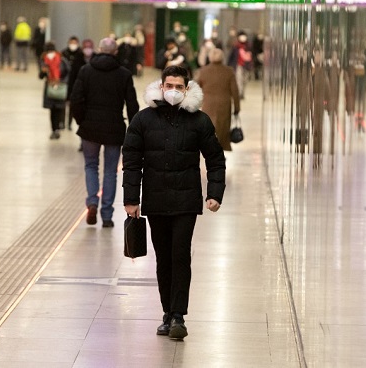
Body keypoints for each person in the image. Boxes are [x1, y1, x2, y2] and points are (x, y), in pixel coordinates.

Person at [122, 65, 226, 340]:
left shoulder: (199, 121)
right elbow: (131, 161)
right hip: (155, 200)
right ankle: (167, 313)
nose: (173, 91)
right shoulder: (143, 120)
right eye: (169, 85)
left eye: (179, 87)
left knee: (180, 255)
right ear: (161, 86)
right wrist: (131, 199)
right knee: (163, 257)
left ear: (187, 89)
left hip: (185, 200)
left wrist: (215, 193)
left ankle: (178, 315)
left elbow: (215, 158)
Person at [71, 38, 139, 227]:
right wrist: (135, 130)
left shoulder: (86, 71)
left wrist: (82, 121)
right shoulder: (124, 74)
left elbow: (76, 99)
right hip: (114, 128)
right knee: (111, 172)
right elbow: (132, 104)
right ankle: (107, 215)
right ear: (116, 52)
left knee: (91, 166)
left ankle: (93, 201)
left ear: (99, 50)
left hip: (90, 129)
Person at [196, 48, 241, 151]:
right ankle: (219, 150)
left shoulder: (203, 71)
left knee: (209, 127)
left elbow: (197, 88)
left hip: (208, 104)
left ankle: (210, 149)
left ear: (210, 57)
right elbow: (235, 91)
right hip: (224, 104)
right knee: (223, 128)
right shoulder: (229, 71)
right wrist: (237, 108)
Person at [39, 41, 68, 140]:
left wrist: (60, 81)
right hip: (52, 87)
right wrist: (43, 72)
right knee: (54, 109)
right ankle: (55, 129)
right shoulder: (44, 60)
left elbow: (67, 71)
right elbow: (41, 76)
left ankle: (57, 128)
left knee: (57, 109)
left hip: (58, 86)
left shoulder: (61, 59)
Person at [61, 36, 85, 132]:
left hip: (75, 83)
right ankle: (62, 123)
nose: (73, 45)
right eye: (71, 42)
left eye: (75, 43)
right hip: (64, 82)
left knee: (72, 104)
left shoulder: (81, 54)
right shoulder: (64, 53)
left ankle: (69, 124)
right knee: (62, 104)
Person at [227, 31, 252, 99]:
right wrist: (229, 66)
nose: (243, 38)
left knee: (245, 80)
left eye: (244, 36)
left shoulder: (249, 46)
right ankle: (240, 93)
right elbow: (231, 57)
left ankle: (242, 92)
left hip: (246, 66)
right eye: (241, 36)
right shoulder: (235, 47)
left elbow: (251, 57)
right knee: (239, 79)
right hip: (238, 65)